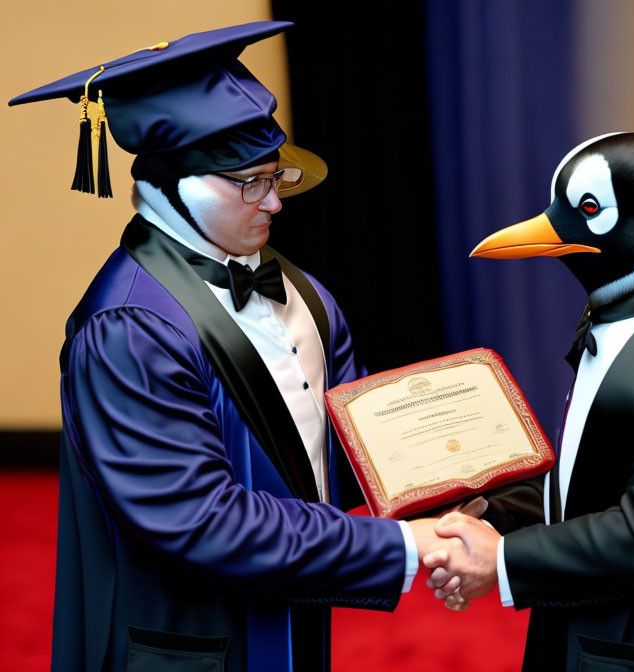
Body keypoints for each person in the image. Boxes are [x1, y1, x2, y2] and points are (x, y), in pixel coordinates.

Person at [10, 21, 463, 672]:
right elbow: (200, 520)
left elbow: (350, 437)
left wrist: (457, 489)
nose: (275, 202)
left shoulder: (304, 293)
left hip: (293, 606)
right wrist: (405, 546)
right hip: (182, 642)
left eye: (278, 176)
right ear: (173, 185)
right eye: (249, 183)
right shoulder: (127, 328)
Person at [426, 133, 634, 671]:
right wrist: (494, 517)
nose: (550, 226)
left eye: (587, 210)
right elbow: (596, 477)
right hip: (588, 635)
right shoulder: (628, 318)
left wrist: (503, 561)